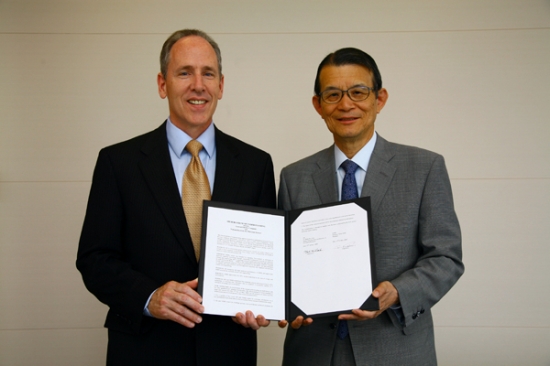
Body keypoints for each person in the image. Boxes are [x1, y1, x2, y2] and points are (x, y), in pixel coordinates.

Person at [76, 29, 276, 365]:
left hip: (228, 350)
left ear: (221, 86)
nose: (198, 85)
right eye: (185, 72)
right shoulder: (118, 162)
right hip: (145, 349)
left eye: (208, 73)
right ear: (162, 84)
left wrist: (263, 303)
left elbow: (266, 261)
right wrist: (149, 296)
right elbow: (95, 259)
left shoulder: (256, 164)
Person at [277, 47, 464, 365]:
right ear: (318, 105)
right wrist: (282, 303)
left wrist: (397, 291)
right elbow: (284, 264)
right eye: (333, 94)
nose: (346, 104)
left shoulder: (423, 167)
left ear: (380, 99)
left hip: (395, 350)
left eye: (358, 92)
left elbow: (446, 257)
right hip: (312, 352)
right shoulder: (294, 176)